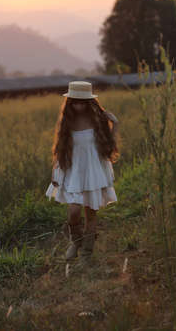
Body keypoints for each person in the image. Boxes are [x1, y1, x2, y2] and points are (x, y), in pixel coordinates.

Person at [45, 80, 119, 262]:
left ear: (88, 102)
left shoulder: (97, 119)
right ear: (70, 102)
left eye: (82, 101)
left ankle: (87, 252)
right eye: (74, 101)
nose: (78, 105)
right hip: (74, 172)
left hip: (93, 170)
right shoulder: (67, 122)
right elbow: (60, 148)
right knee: (73, 211)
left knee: (91, 213)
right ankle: (75, 241)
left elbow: (108, 144)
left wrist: (114, 124)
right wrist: (56, 172)